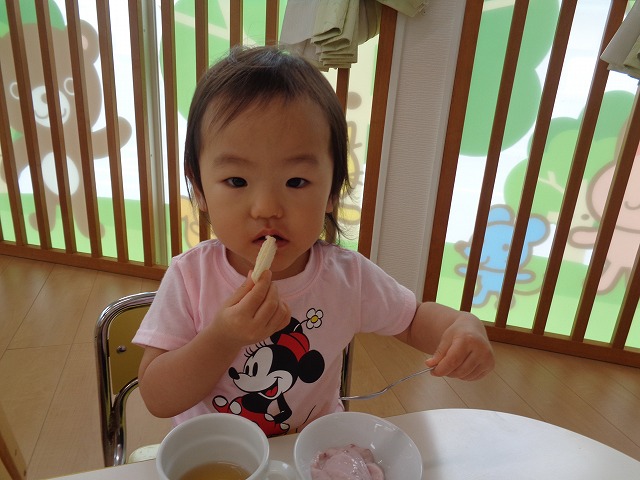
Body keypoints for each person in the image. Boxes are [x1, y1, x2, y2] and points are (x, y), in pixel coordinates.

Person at [133, 45, 494, 437]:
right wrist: (224, 337)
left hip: (311, 450)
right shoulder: (190, 277)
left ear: (332, 192)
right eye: (237, 181)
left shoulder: (347, 277)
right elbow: (158, 398)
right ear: (200, 188)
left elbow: (411, 320)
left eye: (296, 181)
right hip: (217, 454)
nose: (267, 208)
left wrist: (461, 326)